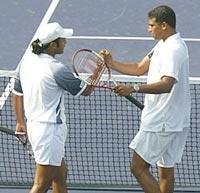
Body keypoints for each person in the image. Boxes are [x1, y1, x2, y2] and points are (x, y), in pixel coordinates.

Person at [100, 5, 190, 193]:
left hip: (161, 121)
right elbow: (140, 68)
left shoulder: (173, 50)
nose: (148, 29)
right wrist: (112, 64)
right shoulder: (164, 44)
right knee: (165, 170)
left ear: (164, 25)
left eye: (151, 25)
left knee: (138, 167)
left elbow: (167, 84)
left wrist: (133, 88)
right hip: (174, 120)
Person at [12, 22, 94, 193]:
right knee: (41, 184)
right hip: (49, 131)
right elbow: (86, 90)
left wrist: (20, 122)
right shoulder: (56, 69)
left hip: (35, 127)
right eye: (62, 39)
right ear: (52, 45)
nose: (66, 42)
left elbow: (17, 93)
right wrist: (97, 71)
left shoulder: (26, 62)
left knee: (60, 174)